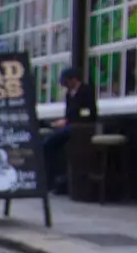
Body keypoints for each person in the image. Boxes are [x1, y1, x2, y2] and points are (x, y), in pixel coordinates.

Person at [42, 66, 98, 195]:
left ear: (73, 80)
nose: (66, 86)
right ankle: (53, 180)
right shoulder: (69, 95)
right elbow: (69, 113)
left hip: (81, 128)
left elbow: (89, 112)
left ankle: (53, 181)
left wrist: (69, 120)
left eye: (67, 82)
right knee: (49, 144)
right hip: (70, 126)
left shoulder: (86, 91)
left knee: (51, 143)